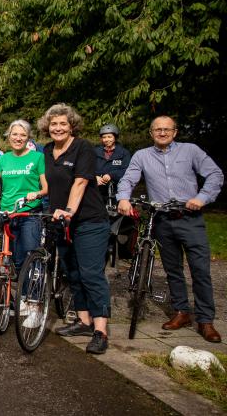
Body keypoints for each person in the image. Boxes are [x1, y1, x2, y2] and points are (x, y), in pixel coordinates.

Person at [117, 116, 223, 343]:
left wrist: (202, 198)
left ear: (175, 132)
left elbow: (215, 174)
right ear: (151, 132)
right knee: (173, 270)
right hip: (162, 220)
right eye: (158, 129)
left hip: (190, 218)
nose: (162, 133)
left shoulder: (190, 151)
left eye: (167, 129)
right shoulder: (142, 156)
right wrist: (124, 198)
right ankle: (181, 312)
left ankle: (205, 320)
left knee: (200, 270)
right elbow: (128, 179)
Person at [38, 103, 110, 354]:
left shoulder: (83, 148)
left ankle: (101, 331)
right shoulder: (46, 151)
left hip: (89, 221)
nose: (57, 128)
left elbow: (80, 183)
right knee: (73, 274)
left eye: (62, 124)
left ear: (72, 126)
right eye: (53, 124)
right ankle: (83, 321)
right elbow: (42, 182)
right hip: (61, 222)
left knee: (92, 273)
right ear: (47, 127)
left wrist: (69, 211)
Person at [0, 120, 48, 327]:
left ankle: (34, 306)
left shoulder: (37, 158)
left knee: (30, 260)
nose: (18, 138)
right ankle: (21, 298)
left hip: (29, 214)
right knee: (13, 262)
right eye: (14, 134)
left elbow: (46, 187)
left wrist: (37, 194)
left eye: (22, 135)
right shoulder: (4, 159)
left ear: (28, 138)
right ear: (8, 136)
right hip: (7, 214)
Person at [94, 124, 131, 203]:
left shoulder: (124, 153)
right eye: (104, 137)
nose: (106, 139)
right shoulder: (95, 152)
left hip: (116, 190)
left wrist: (111, 175)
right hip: (96, 190)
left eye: (109, 137)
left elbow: (127, 170)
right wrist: (95, 177)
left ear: (115, 137)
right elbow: (87, 167)